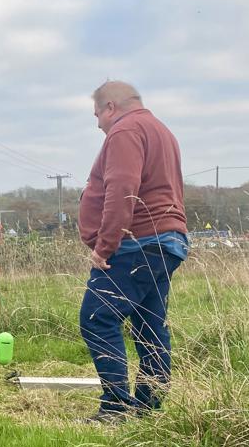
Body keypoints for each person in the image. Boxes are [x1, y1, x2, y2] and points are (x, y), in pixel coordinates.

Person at [79, 81, 189, 423]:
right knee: (149, 325)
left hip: (136, 242)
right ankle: (147, 406)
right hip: (166, 242)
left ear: (110, 107)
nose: (98, 123)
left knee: (98, 318)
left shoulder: (125, 130)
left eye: (97, 115)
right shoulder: (161, 130)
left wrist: (105, 245)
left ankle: (115, 407)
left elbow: (122, 189)